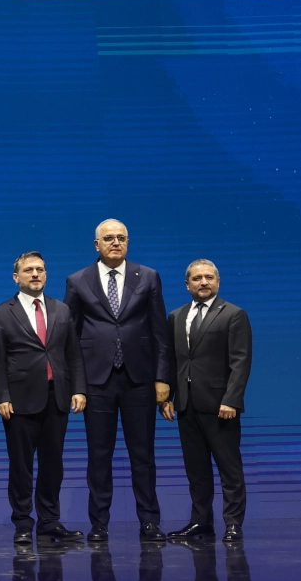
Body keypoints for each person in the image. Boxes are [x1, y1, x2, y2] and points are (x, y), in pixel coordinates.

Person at [63, 219, 171, 542]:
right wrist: (77, 385)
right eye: (108, 238)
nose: (115, 243)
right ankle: (99, 523)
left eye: (121, 238)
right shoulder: (77, 280)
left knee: (143, 455)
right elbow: (70, 337)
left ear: (128, 242)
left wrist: (162, 378)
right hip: (97, 381)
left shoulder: (147, 276)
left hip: (140, 378)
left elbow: (160, 332)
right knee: (99, 456)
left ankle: (149, 521)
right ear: (96, 244)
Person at [0, 252, 87, 544]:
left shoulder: (62, 309)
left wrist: (78, 388)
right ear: (16, 277)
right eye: (28, 270)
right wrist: (1, 396)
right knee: (21, 466)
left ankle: (50, 521)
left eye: (40, 270)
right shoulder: (0, 313)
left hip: (57, 397)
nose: (35, 274)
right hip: (19, 401)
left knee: (52, 464)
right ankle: (22, 523)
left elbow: (73, 353)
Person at [163, 260, 251, 544]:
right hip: (186, 405)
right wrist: (168, 397)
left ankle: (233, 524)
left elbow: (240, 362)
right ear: (187, 284)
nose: (204, 282)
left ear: (218, 282)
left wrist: (232, 400)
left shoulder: (234, 315)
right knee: (196, 470)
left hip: (221, 406)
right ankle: (201, 522)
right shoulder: (176, 316)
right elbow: (173, 361)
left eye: (209, 277)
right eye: (197, 278)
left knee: (229, 469)